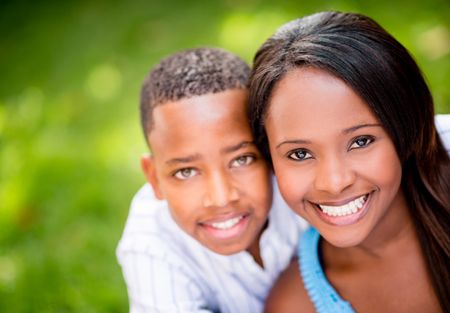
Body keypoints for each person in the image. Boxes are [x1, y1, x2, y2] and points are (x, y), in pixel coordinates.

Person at [248, 11, 450, 313]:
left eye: (360, 141)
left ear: (406, 128)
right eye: (300, 154)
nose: (334, 181)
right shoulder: (294, 305)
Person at [116, 47, 307, 313]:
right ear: (154, 178)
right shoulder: (151, 244)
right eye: (186, 172)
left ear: (269, 148)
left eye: (242, 159)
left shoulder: (303, 185)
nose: (221, 197)